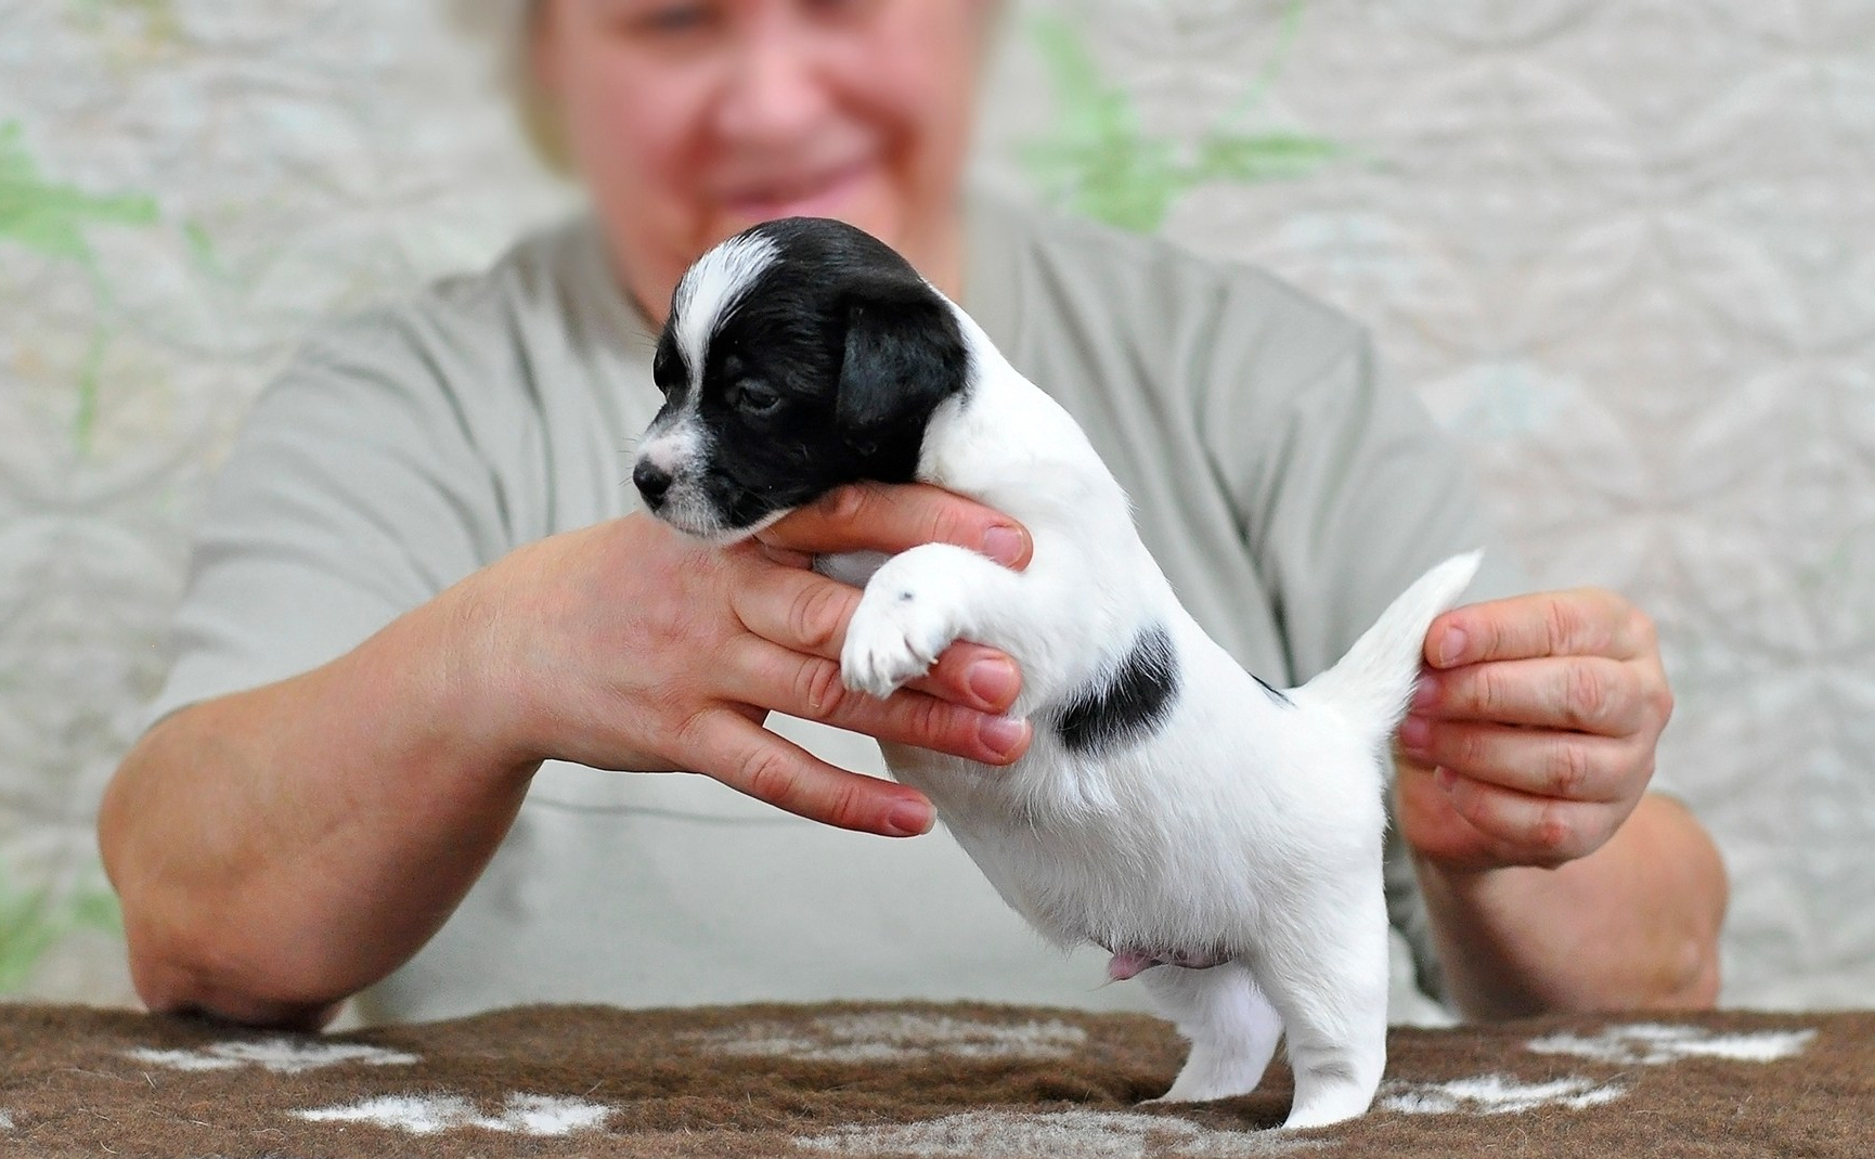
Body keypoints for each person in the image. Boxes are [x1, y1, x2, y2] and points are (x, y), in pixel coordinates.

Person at [98, 0, 1726, 1033]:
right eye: (671, 19)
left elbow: (1650, 978)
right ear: (546, 58)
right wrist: (495, 659)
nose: (771, 89)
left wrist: (1495, 830)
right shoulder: (407, 395)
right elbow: (193, 920)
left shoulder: (1257, 373)